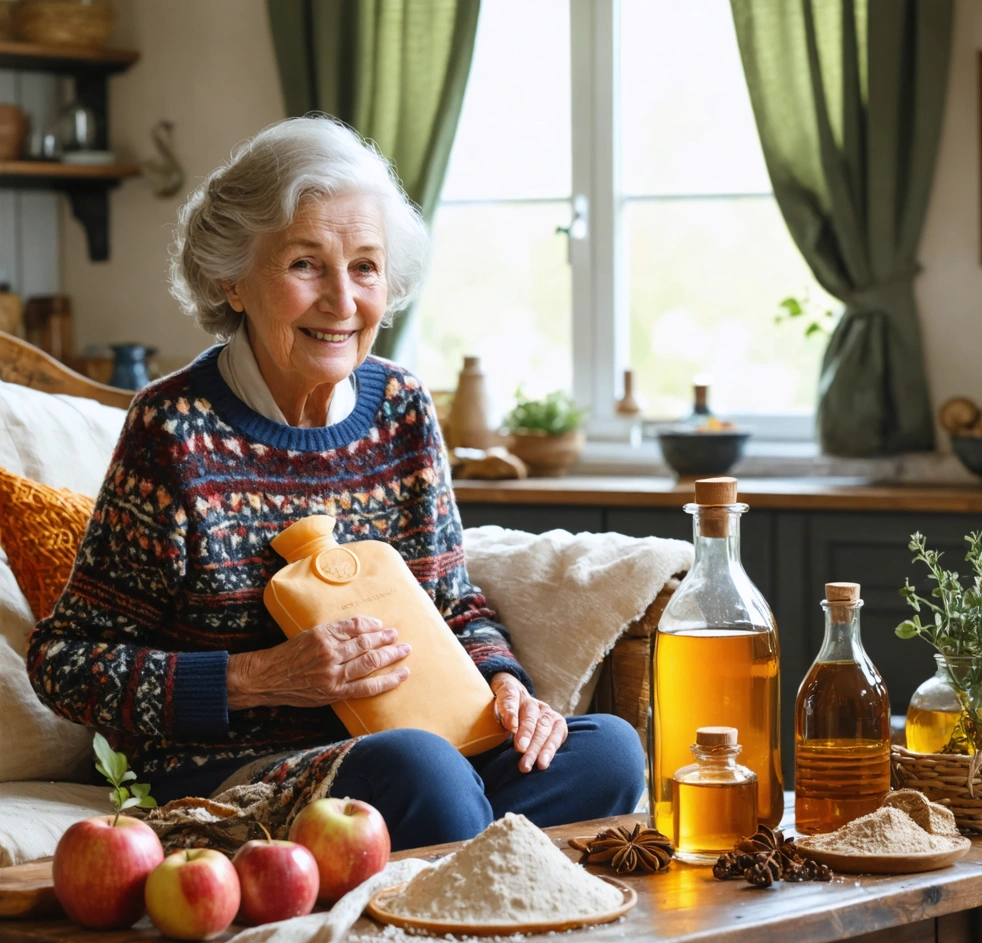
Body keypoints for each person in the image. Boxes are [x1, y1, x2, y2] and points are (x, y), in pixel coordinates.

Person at [27, 117, 645, 850]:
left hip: (423, 742)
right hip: (236, 770)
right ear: (234, 277)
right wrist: (260, 677)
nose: (343, 301)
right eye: (305, 264)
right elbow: (66, 665)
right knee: (424, 772)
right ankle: (476, 875)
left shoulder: (402, 408)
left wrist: (506, 685)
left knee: (608, 749)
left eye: (365, 267)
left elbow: (456, 604)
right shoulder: (173, 429)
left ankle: (460, 853)